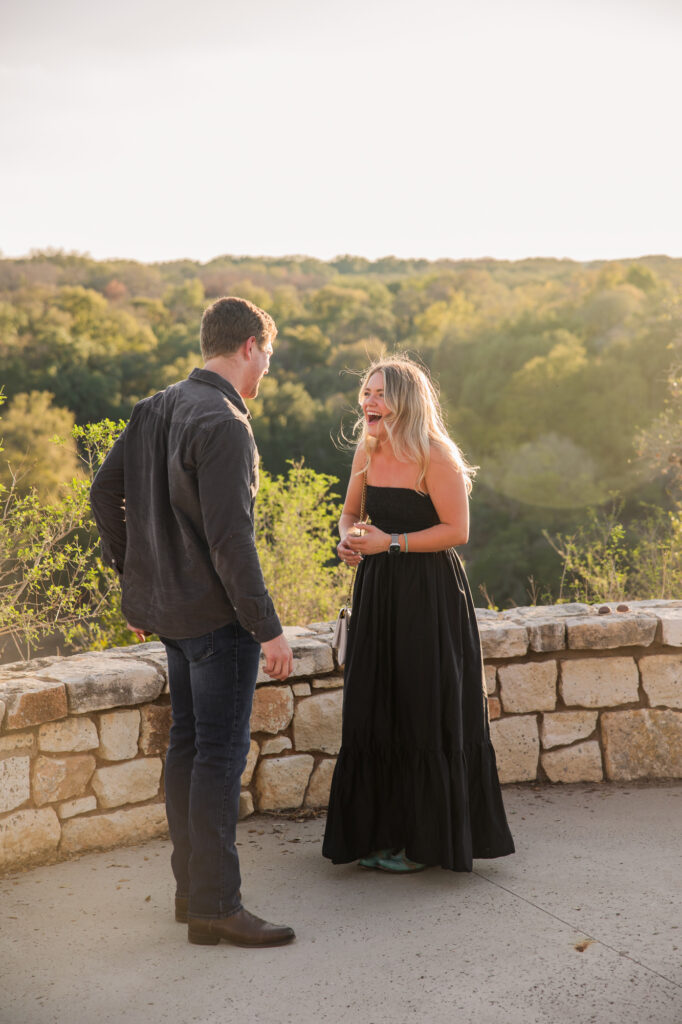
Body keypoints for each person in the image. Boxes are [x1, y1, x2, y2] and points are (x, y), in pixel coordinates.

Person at [90, 296, 296, 946]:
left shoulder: (155, 407)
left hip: (172, 617)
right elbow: (232, 542)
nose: (267, 369)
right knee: (214, 757)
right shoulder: (227, 423)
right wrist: (268, 628)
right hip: (217, 622)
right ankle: (216, 904)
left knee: (187, 749)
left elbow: (104, 491)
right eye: (267, 356)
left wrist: (138, 579)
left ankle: (193, 899)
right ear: (249, 347)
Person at [322, 355, 515, 873]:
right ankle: (379, 836)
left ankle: (422, 841)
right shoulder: (367, 450)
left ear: (406, 400)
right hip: (379, 592)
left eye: (379, 393)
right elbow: (349, 514)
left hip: (428, 597)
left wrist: (393, 543)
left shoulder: (438, 456)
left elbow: (457, 530)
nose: (368, 401)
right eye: (366, 392)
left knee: (421, 706)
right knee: (377, 704)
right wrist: (349, 540)